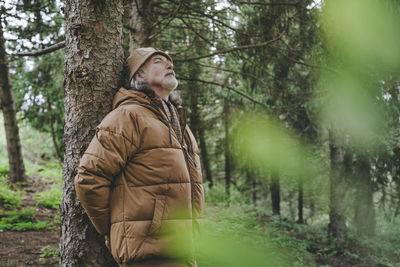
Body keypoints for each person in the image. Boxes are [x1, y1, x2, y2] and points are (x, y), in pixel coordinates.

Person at [74, 47, 204, 267]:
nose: (169, 65)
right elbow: (89, 178)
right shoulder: (128, 116)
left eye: (170, 62)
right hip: (148, 254)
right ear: (138, 75)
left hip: (183, 250)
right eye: (158, 61)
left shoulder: (180, 124)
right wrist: (115, 228)